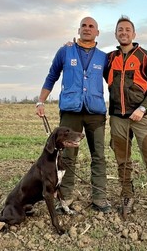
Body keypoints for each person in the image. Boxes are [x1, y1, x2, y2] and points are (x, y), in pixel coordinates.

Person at [36, 17, 111, 214]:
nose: (87, 29)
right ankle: (66, 198)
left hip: (95, 113)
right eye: (84, 26)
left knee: (99, 155)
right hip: (71, 112)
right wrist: (40, 101)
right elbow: (52, 75)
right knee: (67, 156)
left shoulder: (104, 57)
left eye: (91, 26)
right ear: (78, 30)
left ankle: (99, 198)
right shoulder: (65, 51)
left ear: (97, 32)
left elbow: (114, 82)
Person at [105, 15, 147, 220]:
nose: (123, 33)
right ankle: (127, 195)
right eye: (120, 30)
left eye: (127, 30)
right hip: (117, 117)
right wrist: (74, 45)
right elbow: (87, 61)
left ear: (134, 34)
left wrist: (142, 108)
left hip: (142, 117)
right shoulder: (108, 58)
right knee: (122, 160)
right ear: (116, 34)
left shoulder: (146, 56)